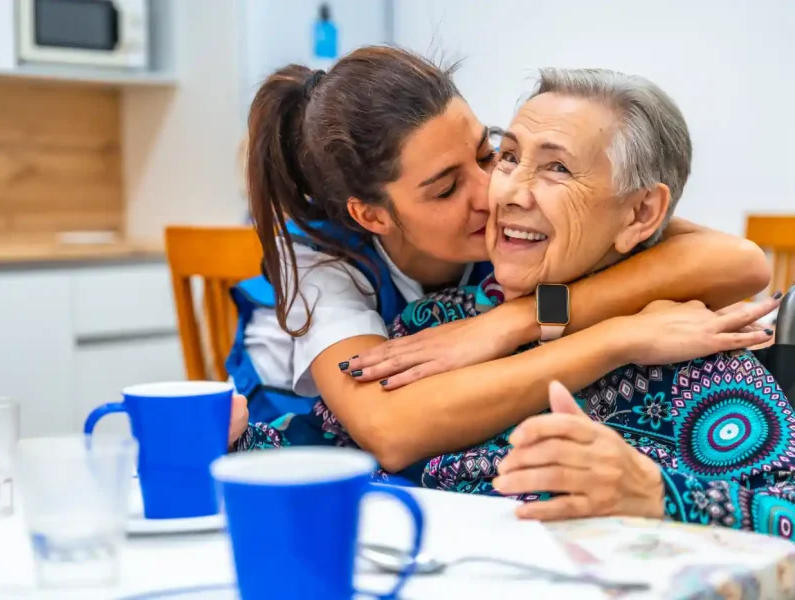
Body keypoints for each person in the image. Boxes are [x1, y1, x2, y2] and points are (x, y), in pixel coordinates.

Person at [234, 68, 793, 539]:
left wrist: (655, 493)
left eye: (555, 167)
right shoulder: (433, 324)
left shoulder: (691, 353)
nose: (497, 192)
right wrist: (233, 438)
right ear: (372, 216)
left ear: (640, 215)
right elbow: (337, 441)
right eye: (508, 157)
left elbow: (742, 263)